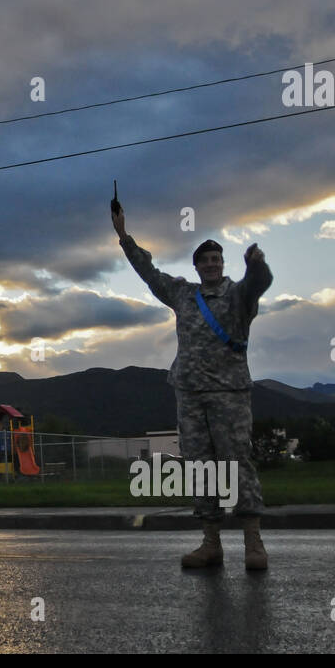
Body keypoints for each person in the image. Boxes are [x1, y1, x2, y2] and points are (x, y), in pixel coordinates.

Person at [111, 202, 273, 570]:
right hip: (189, 395)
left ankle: (253, 542)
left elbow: (259, 284)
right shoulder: (184, 294)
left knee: (237, 463)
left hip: (228, 394)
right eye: (206, 260)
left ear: (223, 264)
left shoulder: (238, 296)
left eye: (217, 258)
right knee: (201, 467)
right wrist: (123, 237)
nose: (212, 264)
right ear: (197, 267)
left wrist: (257, 264)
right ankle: (211, 542)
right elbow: (149, 273)